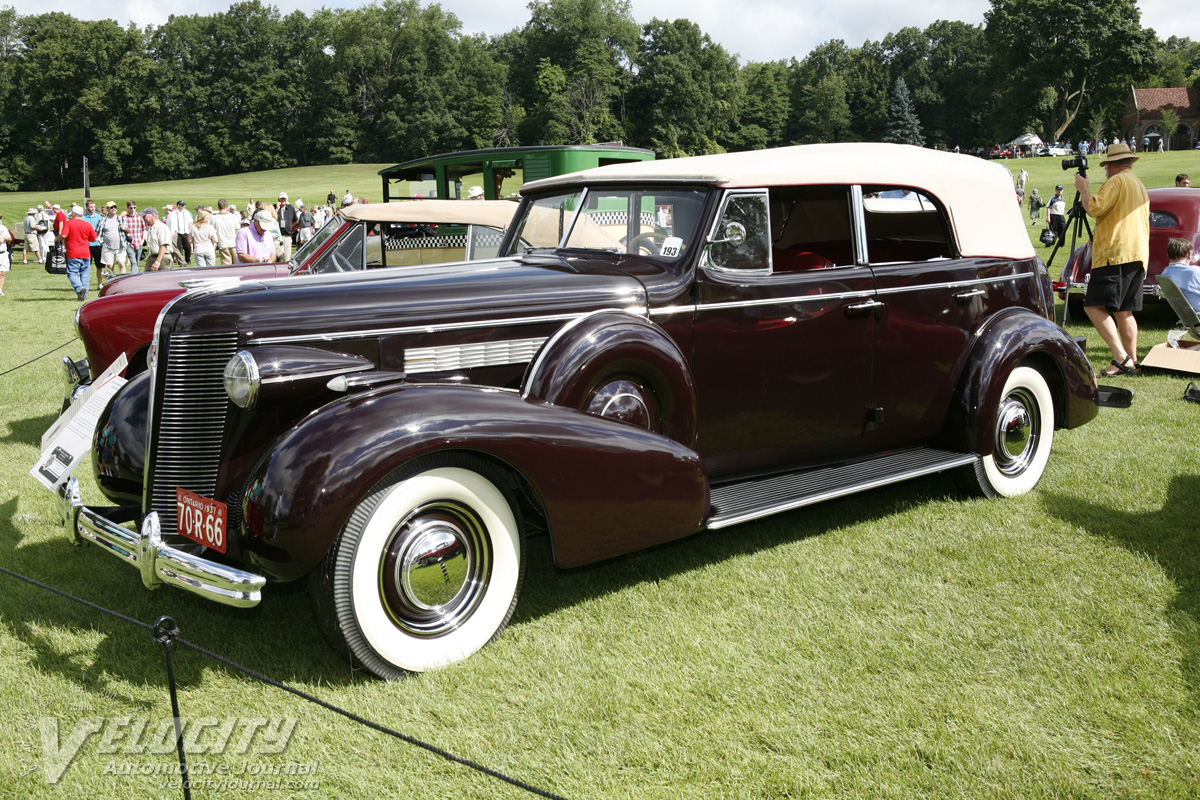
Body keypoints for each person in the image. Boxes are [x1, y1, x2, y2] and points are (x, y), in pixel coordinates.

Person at [1074, 141, 1150, 377]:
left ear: (1112, 165)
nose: (1106, 170)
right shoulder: (1138, 184)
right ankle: (1132, 360)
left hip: (1115, 254)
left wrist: (1083, 189)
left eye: (1107, 165)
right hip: (1137, 254)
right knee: (1124, 310)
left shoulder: (1116, 181)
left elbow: (1095, 208)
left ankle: (1120, 358)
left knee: (1093, 305)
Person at [59, 205, 99, 301]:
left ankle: (80, 288)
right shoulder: (87, 224)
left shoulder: (69, 223)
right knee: (85, 274)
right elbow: (94, 239)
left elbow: (63, 235)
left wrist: (57, 238)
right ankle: (84, 295)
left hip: (73, 253)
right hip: (85, 253)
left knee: (72, 273)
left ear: (73, 213)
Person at [1161, 238, 1199, 309]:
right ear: (1189, 254)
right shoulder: (1195, 272)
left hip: (1187, 316)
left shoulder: (1165, 274)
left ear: (1168, 254)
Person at [96, 201, 128, 283]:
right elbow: (98, 232)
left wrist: (125, 228)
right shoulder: (102, 220)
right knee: (110, 266)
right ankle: (112, 282)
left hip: (120, 246)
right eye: (111, 207)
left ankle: (122, 282)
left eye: (115, 207)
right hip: (107, 247)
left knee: (121, 264)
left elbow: (128, 231)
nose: (113, 209)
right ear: (107, 209)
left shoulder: (120, 219)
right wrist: (101, 242)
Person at [211, 199, 241, 265]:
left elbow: (211, 232)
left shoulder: (214, 218)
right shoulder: (233, 217)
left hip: (222, 243)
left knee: (226, 264)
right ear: (226, 207)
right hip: (233, 243)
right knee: (236, 264)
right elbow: (237, 231)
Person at [121, 201, 145, 272]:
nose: (133, 209)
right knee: (133, 261)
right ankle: (134, 275)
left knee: (137, 262)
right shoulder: (124, 218)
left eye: (134, 208)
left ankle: (136, 275)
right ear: (127, 208)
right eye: (131, 208)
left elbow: (144, 229)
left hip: (138, 242)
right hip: (129, 243)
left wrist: (142, 240)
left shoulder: (140, 218)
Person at [168, 201, 194, 265]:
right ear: (178, 205)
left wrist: (190, 229)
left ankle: (187, 259)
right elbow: (169, 223)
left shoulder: (186, 213)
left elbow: (190, 221)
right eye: (182, 205)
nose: (183, 207)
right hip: (177, 232)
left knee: (187, 247)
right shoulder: (173, 213)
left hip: (185, 231)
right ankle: (180, 260)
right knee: (178, 247)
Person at [82, 198, 103, 273]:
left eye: (94, 206)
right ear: (87, 207)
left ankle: (100, 284)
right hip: (86, 244)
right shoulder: (82, 218)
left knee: (100, 266)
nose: (93, 208)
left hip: (97, 244)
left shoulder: (99, 218)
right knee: (86, 266)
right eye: (91, 206)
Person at [276, 192, 297, 261]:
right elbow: (271, 219)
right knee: (277, 257)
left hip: (287, 236)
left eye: (284, 199)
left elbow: (295, 220)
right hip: (276, 237)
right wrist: (277, 209)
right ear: (278, 200)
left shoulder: (291, 208)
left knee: (287, 257)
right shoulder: (274, 207)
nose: (283, 200)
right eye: (281, 199)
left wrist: (290, 226)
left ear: (287, 199)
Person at [0, 212, 11, 296]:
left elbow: (10, 238)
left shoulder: (3, 228)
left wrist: (7, 238)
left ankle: (0, 290)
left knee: (2, 273)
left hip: (3, 253)